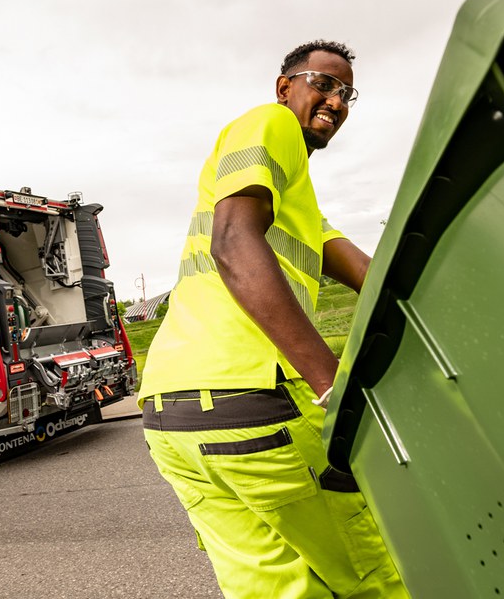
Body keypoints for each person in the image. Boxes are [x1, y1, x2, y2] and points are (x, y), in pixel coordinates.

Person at [138, 40, 408, 598]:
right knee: (376, 578)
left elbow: (374, 278)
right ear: (285, 87)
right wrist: (331, 383)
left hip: (170, 416)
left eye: (348, 93)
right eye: (323, 84)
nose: (336, 101)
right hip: (254, 401)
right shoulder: (271, 122)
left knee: (272, 590)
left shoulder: (295, 202)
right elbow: (233, 243)